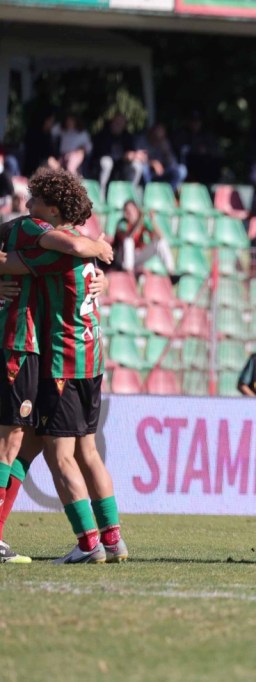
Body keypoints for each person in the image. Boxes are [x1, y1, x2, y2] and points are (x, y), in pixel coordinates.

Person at [0, 168, 119, 564]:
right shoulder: (79, 253)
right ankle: (112, 539)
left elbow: (21, 261)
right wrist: (100, 249)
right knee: (38, 447)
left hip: (58, 362)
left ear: (51, 209)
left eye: (35, 200)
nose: (27, 206)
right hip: (90, 362)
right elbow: (87, 250)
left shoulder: (42, 242)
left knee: (51, 452)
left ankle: (88, 545)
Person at [110, 200, 179, 282]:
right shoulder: (122, 223)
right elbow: (127, 236)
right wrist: (139, 221)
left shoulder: (143, 222)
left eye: (131, 210)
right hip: (121, 258)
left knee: (160, 243)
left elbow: (160, 237)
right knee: (128, 241)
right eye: (127, 211)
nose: (129, 214)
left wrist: (152, 221)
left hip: (136, 257)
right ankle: (128, 273)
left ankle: (171, 273)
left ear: (137, 210)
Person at [93, 113, 142, 191]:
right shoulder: (103, 135)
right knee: (107, 162)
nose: (119, 125)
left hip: (122, 165)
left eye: (121, 123)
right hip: (102, 166)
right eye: (117, 122)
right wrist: (123, 156)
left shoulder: (127, 136)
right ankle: (101, 192)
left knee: (137, 166)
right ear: (112, 122)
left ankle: (131, 192)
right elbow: (101, 153)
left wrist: (131, 155)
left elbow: (131, 152)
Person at [140, 123, 187, 191]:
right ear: (151, 134)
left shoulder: (165, 144)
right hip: (149, 173)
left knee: (182, 170)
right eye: (155, 136)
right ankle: (149, 192)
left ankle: (168, 193)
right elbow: (138, 158)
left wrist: (167, 152)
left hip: (163, 173)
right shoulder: (142, 141)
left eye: (161, 137)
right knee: (143, 168)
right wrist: (152, 163)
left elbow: (173, 164)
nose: (158, 139)